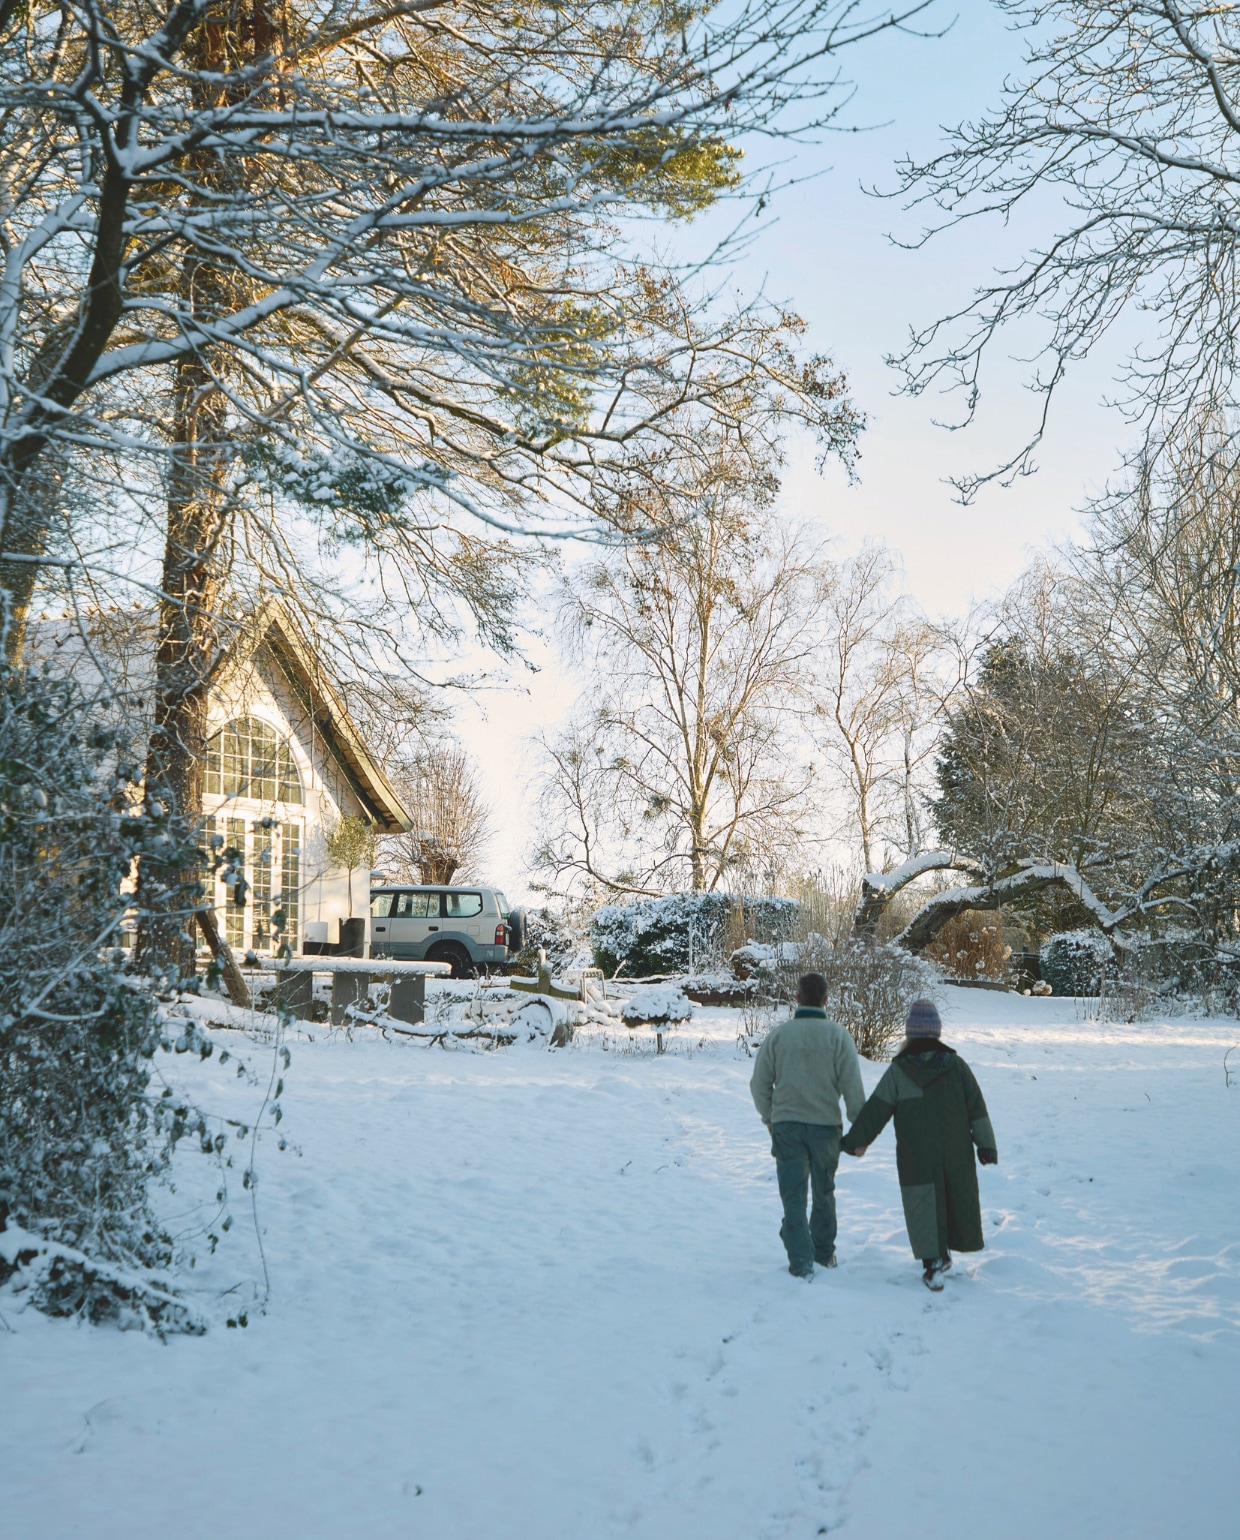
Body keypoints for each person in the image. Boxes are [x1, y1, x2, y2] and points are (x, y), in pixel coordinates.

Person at [841, 999, 997, 1291]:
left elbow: (877, 1109)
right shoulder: (956, 1066)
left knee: (923, 1203)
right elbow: (977, 1109)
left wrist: (856, 1142)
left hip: (916, 1154)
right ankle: (942, 1256)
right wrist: (986, 1146)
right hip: (956, 1151)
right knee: (954, 1198)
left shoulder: (900, 1071)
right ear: (936, 1032)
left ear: (910, 1033)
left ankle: (933, 1261)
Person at [749, 972, 866, 1278]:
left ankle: (800, 1262)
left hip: (787, 1127)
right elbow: (853, 1090)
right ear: (826, 1000)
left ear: (797, 998)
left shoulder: (779, 1036)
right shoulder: (838, 1037)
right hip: (826, 1128)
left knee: (793, 1197)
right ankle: (824, 1254)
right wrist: (861, 1133)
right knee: (824, 1191)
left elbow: (759, 1084)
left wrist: (770, 1118)